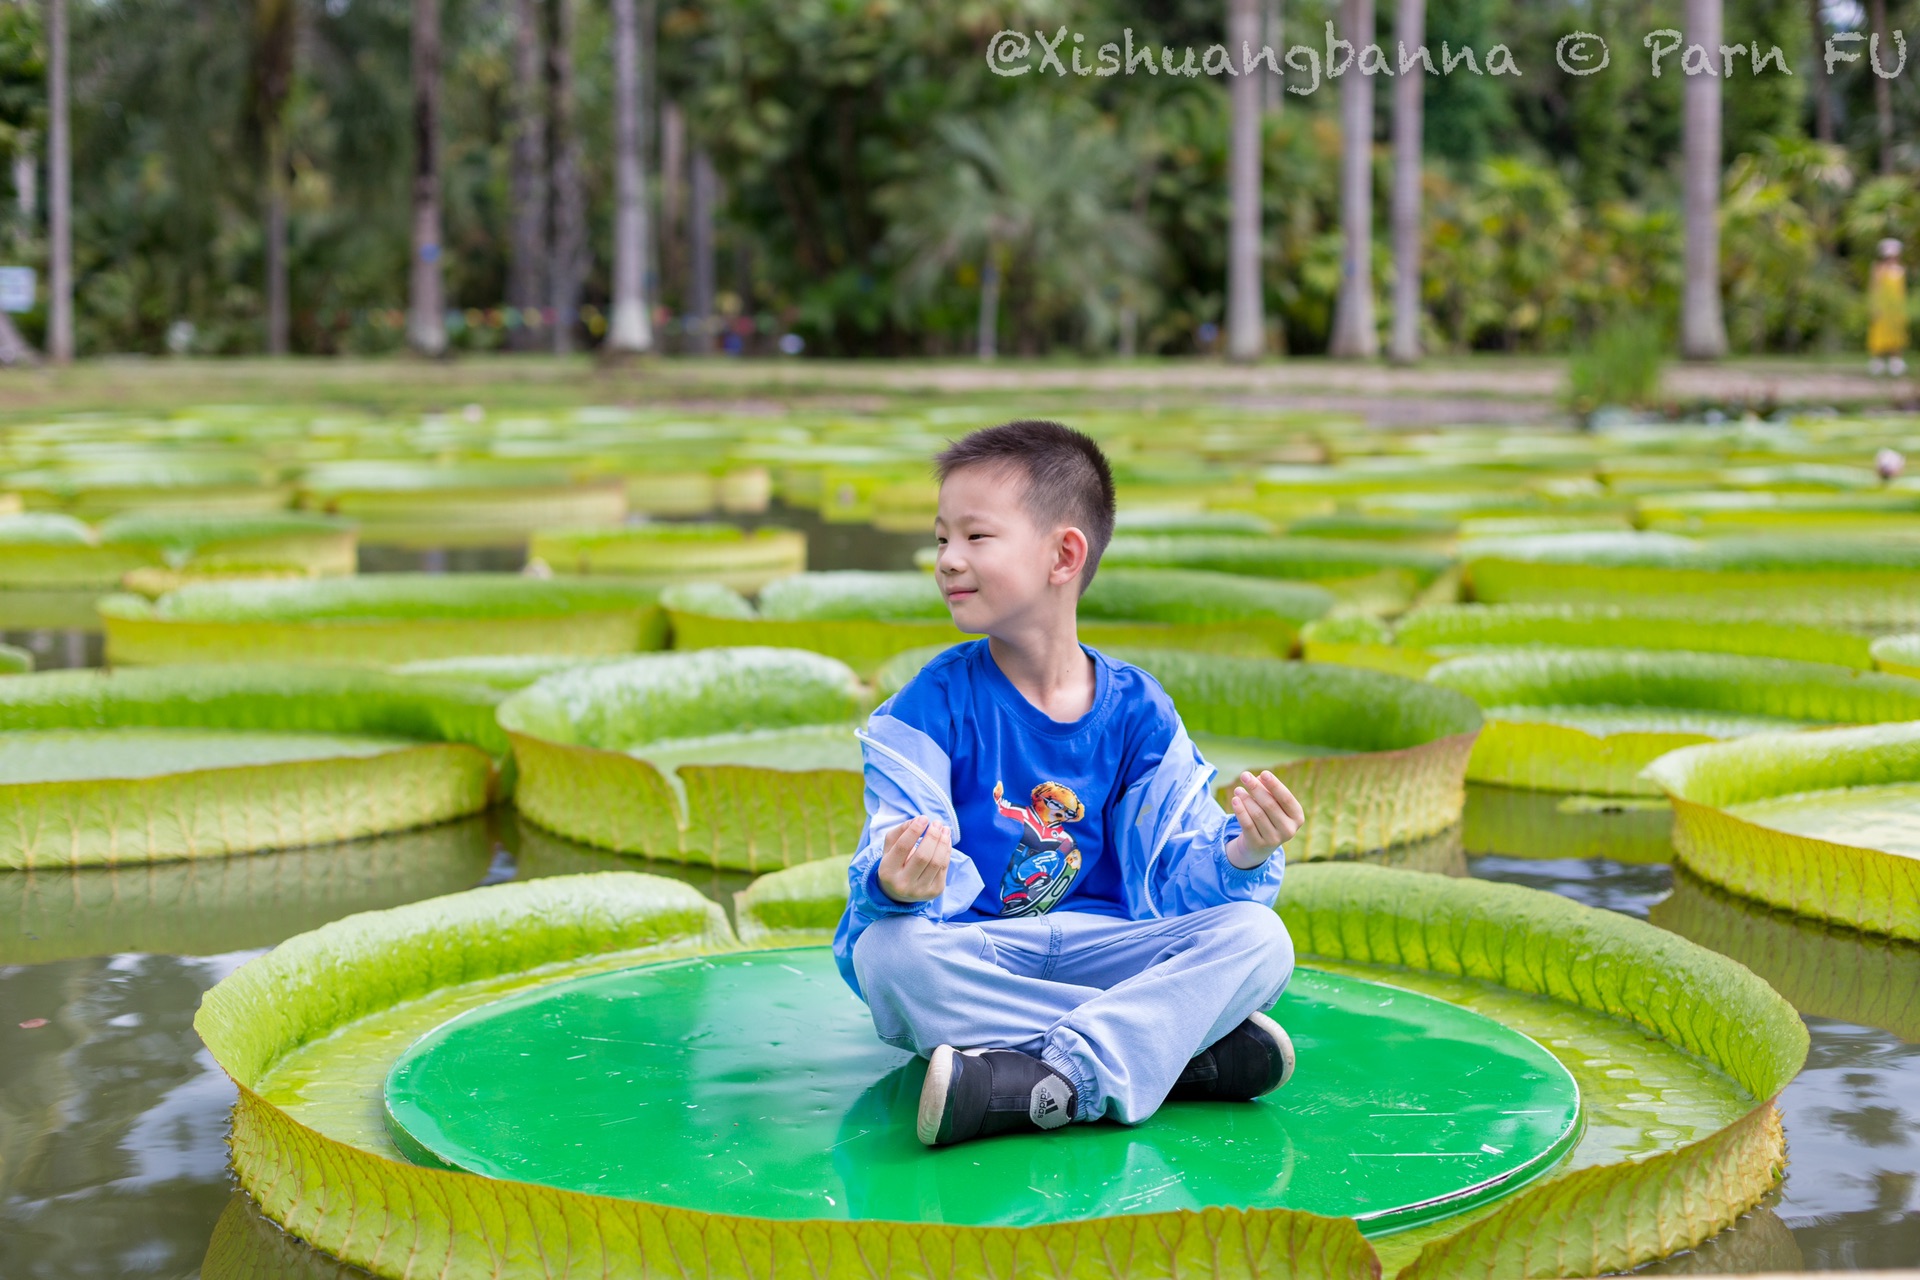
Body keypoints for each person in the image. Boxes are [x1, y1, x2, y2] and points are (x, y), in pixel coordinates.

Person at [832, 420, 1305, 1148]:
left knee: (1261, 937)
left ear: (1064, 554)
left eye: (976, 538)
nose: (948, 561)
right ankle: (1174, 1054)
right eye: (940, 539)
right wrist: (898, 882)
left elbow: (1179, 883)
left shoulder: (1140, 711)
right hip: (980, 949)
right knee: (889, 958)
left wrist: (1242, 851)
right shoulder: (928, 706)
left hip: (1110, 947)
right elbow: (888, 860)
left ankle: (1043, 1080)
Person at [1869, 238, 1908, 377]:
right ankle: (1878, 362)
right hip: (1883, 308)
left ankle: (1895, 361)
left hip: (1896, 308)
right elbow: (1876, 289)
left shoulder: (1901, 270)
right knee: (1880, 334)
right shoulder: (1878, 269)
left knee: (1896, 334)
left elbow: (1902, 291)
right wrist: (1875, 306)